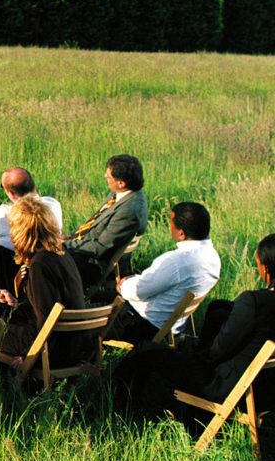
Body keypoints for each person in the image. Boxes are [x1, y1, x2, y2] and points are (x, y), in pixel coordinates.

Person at [114, 234, 275, 424]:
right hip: (267, 391)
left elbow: (218, 351)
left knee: (145, 349)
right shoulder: (259, 303)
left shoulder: (254, 302)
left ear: (265, 268)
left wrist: (197, 359)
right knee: (219, 308)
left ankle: (117, 411)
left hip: (227, 388)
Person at [103, 202, 220, 344]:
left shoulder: (175, 261)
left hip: (143, 325)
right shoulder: (213, 257)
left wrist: (124, 284)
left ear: (181, 233)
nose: (170, 227)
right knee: (103, 295)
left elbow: (137, 292)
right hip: (171, 326)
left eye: (171, 224)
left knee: (85, 313)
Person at [0, 196, 89, 368]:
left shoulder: (39, 265)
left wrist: (27, 357)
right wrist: (17, 302)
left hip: (55, 349)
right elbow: (51, 304)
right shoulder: (60, 254)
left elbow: (46, 322)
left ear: (19, 231)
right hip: (74, 341)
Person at [0, 167, 63, 295]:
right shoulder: (53, 205)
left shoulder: (6, 214)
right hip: (45, 270)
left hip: (14, 275)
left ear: (11, 193)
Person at [64, 154, 149, 288]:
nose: (105, 176)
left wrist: (66, 244)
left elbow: (101, 248)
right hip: (85, 247)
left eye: (109, 176)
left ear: (121, 183)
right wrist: (68, 237)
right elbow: (92, 223)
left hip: (93, 262)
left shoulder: (130, 210)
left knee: (44, 260)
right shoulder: (121, 194)